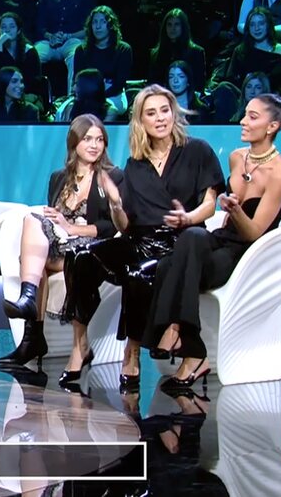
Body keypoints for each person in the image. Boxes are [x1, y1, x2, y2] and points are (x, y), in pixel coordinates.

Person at [59, 85, 225, 391]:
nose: (160, 118)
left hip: (176, 243)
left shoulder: (197, 150)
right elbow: (125, 223)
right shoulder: (136, 163)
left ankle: (131, 353)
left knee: (138, 275)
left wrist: (188, 217)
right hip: (137, 238)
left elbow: (210, 203)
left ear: (174, 113)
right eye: (151, 113)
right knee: (80, 256)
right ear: (141, 121)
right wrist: (116, 204)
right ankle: (79, 346)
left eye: (165, 110)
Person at [144, 93, 281, 392]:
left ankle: (180, 333)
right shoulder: (236, 157)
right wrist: (204, 211)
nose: (243, 121)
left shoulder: (280, 174)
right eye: (245, 113)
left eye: (252, 117)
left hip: (246, 255)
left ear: (272, 127)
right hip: (221, 240)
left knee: (177, 256)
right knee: (172, 257)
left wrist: (235, 209)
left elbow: (254, 233)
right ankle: (192, 346)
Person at [0, 113, 122, 369]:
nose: (94, 145)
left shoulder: (112, 176)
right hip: (59, 247)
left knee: (33, 260)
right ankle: (30, 310)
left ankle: (31, 331)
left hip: (90, 251)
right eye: (87, 138)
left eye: (99, 139)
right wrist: (59, 225)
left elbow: (112, 227)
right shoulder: (58, 177)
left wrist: (70, 227)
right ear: (74, 142)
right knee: (34, 222)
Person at [34, 0, 97, 96]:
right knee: (32, 55)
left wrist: (69, 36)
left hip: (73, 41)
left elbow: (89, 29)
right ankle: (34, 100)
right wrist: (50, 36)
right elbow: (40, 25)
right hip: (50, 42)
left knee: (76, 54)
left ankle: (70, 101)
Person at [72, 5, 132, 113]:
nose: (98, 26)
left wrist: (99, 97)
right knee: (65, 110)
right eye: (94, 22)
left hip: (114, 95)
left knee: (107, 111)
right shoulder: (81, 50)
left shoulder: (123, 50)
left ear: (110, 25)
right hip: (85, 96)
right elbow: (77, 79)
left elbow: (119, 84)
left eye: (102, 22)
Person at [225, 7, 281, 91]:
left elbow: (276, 81)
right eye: (252, 24)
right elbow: (231, 78)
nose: (256, 28)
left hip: (268, 97)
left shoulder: (280, 50)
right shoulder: (240, 50)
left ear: (268, 25)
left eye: (261, 23)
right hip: (243, 96)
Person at [147, 8, 207, 88]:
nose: (172, 28)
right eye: (169, 24)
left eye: (177, 24)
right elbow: (151, 83)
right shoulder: (155, 53)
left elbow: (199, 84)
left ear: (183, 27)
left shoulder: (196, 52)